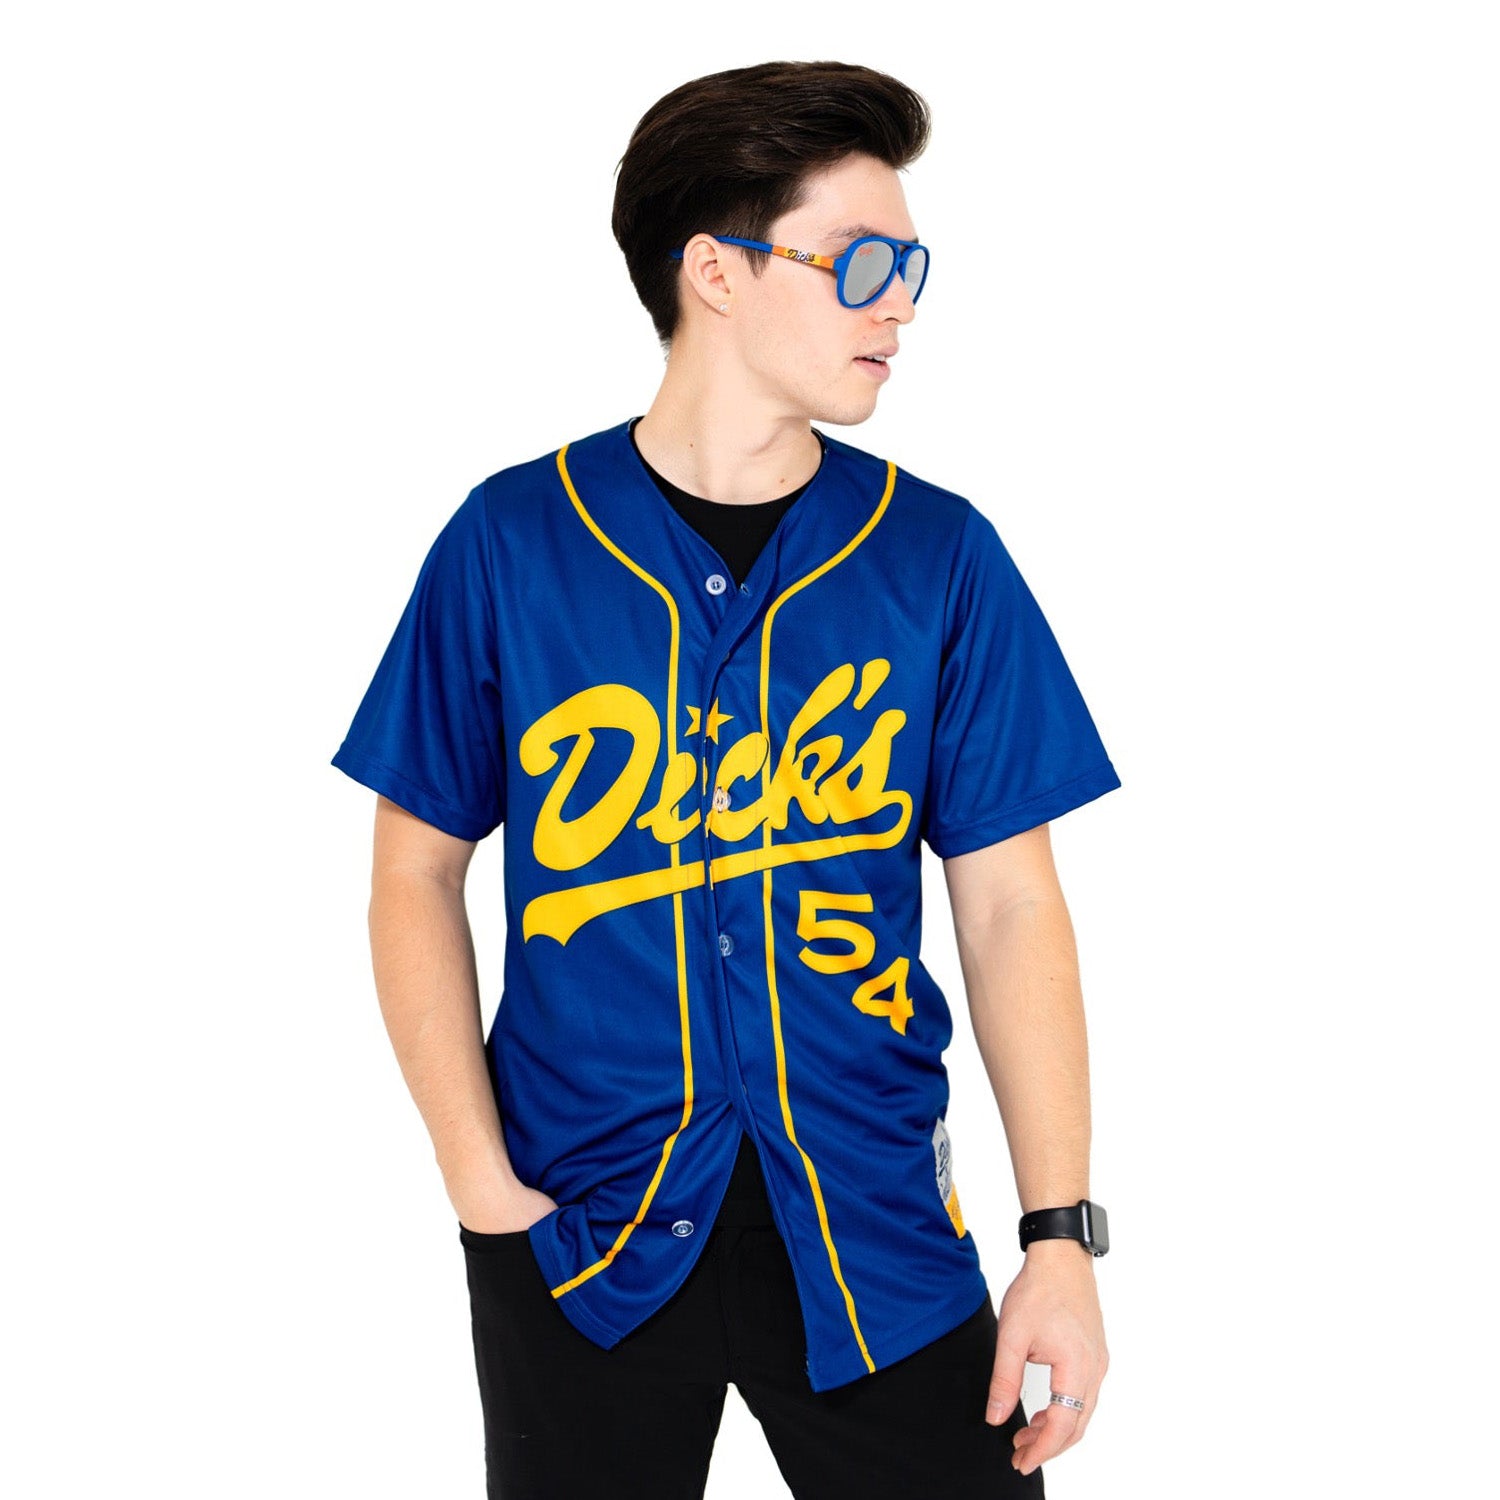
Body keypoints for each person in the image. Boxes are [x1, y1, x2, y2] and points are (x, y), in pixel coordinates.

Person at [332, 59, 1119, 1500]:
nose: (900, 305)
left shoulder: (938, 557)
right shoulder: (513, 541)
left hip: (876, 1226)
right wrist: (479, 1187)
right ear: (716, 272)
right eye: (861, 263)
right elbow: (415, 871)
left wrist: (1058, 1237)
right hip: (586, 1229)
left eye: (912, 267)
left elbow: (1012, 906)